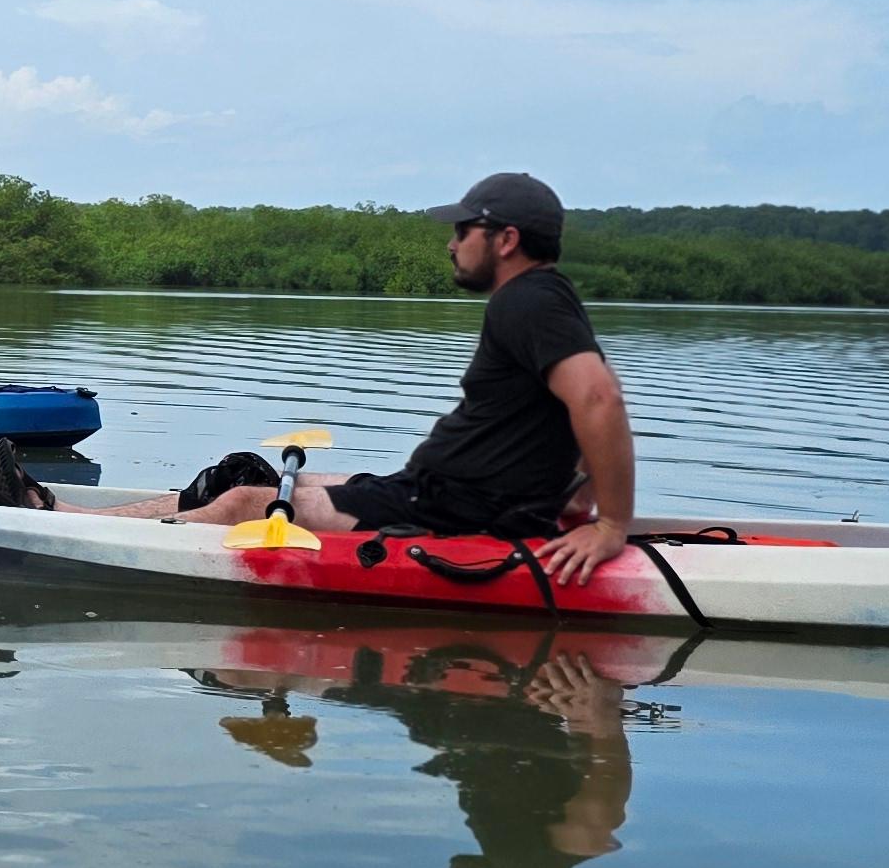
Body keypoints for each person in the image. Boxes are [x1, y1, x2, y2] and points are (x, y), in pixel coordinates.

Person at [139, 171, 637, 585]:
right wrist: (574, 495)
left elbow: (599, 397)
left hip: (448, 509)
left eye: (464, 231)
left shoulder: (527, 300)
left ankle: (84, 538)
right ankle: (69, 511)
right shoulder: (547, 299)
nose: (451, 243)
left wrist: (611, 525)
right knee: (252, 478)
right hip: (434, 491)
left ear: (506, 240)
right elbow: (570, 406)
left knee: (245, 504)